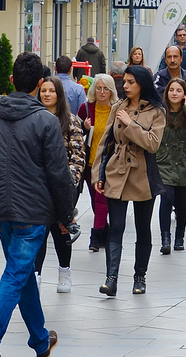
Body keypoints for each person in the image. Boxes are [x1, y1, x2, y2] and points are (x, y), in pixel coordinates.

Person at [0, 52, 70, 357]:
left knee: (23, 274)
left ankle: (40, 340)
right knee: (15, 275)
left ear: (12, 80)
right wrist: (66, 215)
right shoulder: (45, 120)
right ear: (40, 83)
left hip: (1, 210)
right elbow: (58, 173)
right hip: (33, 211)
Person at [93, 63, 165, 296]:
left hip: (143, 173)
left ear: (142, 84)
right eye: (124, 81)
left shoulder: (156, 111)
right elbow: (105, 143)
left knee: (143, 228)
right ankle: (111, 279)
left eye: (130, 82)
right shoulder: (118, 107)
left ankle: (139, 277)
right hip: (117, 170)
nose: (125, 85)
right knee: (116, 227)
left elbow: (153, 143)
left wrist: (130, 124)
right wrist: (99, 174)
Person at [33, 76, 87, 293]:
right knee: (39, 232)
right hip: (38, 187)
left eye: (51, 91)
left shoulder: (71, 120)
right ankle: (35, 275)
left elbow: (78, 155)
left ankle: (64, 272)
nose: (46, 94)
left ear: (59, 95)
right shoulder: (33, 118)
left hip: (63, 186)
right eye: (43, 90)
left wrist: (68, 182)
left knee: (61, 231)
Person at [154, 76, 186, 254]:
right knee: (166, 198)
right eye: (171, 90)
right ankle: (165, 238)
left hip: (184, 162)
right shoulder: (159, 111)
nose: (174, 94)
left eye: (179, 90)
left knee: (181, 202)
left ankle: (180, 237)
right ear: (166, 92)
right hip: (164, 162)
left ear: (184, 94)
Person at [80, 72, 117, 252]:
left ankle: (95, 238)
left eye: (106, 89)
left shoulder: (116, 110)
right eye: (99, 88)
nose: (102, 92)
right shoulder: (85, 109)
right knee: (96, 202)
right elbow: (75, 135)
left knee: (102, 200)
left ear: (111, 92)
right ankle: (105, 232)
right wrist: (83, 127)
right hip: (89, 164)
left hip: (108, 165)